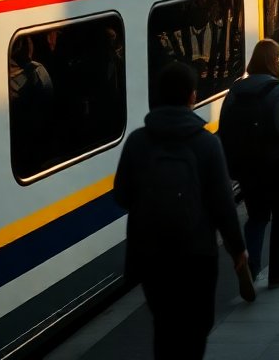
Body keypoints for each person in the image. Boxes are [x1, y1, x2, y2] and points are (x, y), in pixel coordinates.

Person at [113, 62, 252, 359]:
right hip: (197, 256)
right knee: (195, 329)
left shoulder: (137, 141)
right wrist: (238, 249)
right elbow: (223, 205)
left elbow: (122, 196)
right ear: (192, 96)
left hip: (150, 255)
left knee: (164, 326)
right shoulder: (207, 144)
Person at [218, 40, 279, 287]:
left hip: (247, 165)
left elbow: (224, 125)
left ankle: (251, 270)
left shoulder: (236, 89)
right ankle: (277, 273)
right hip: (277, 164)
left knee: (257, 217)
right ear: (272, 60)